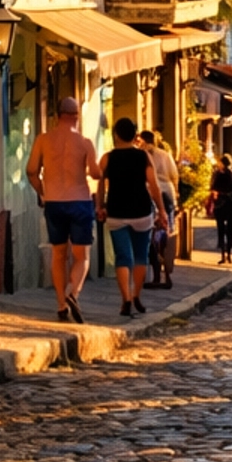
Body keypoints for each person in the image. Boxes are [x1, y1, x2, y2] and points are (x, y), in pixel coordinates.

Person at [25, 93, 101, 323]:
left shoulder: (43, 140)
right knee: (82, 256)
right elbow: (96, 173)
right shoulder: (85, 142)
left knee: (58, 254)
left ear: (57, 116)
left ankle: (60, 305)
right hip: (79, 201)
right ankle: (72, 293)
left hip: (54, 201)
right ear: (76, 117)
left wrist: (43, 192)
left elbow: (31, 171)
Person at [98, 117, 167, 316]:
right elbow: (154, 186)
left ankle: (125, 298)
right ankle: (136, 295)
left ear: (116, 135)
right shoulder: (144, 157)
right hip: (141, 211)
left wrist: (100, 206)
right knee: (140, 256)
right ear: (134, 135)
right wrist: (161, 210)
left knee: (123, 257)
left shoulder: (107, 158)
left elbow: (101, 184)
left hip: (116, 211)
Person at [141, 129, 180, 288]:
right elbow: (174, 175)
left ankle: (156, 273)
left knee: (151, 234)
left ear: (143, 140)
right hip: (168, 192)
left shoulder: (143, 154)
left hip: (151, 192)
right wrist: (176, 194)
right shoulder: (165, 154)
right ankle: (167, 271)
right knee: (166, 232)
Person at [208, 152, 232, 263]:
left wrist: (211, 202)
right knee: (230, 229)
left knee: (221, 229)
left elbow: (212, 188)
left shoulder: (217, 174)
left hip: (221, 204)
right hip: (231, 203)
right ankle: (228, 254)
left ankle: (223, 255)